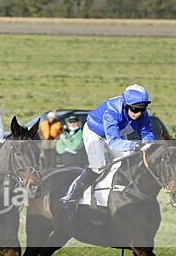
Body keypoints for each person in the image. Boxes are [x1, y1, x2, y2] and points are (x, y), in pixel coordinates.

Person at [60, 84, 155, 215]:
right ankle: (72, 198)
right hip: (95, 132)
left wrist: (148, 142)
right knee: (98, 166)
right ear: (126, 105)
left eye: (142, 109)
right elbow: (114, 142)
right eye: (134, 109)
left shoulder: (142, 114)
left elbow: (146, 131)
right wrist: (135, 145)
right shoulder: (112, 112)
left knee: (129, 160)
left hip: (117, 134)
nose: (138, 113)